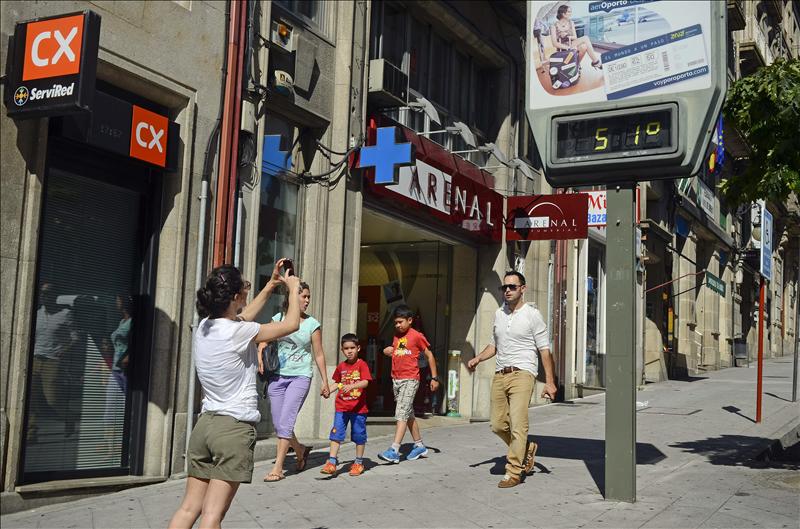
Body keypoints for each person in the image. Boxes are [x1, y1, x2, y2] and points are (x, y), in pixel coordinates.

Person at [169, 260, 302, 529]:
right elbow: (291, 325)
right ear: (234, 297)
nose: (246, 292)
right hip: (233, 429)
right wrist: (294, 290)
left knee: (188, 509)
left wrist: (271, 285)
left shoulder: (206, 326)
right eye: (243, 288)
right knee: (212, 516)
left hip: (205, 426)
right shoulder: (239, 332)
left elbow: (243, 317)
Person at [467, 271, 557, 488]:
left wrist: (550, 382)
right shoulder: (499, 314)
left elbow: (544, 350)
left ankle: (514, 472)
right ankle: (526, 450)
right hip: (500, 374)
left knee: (518, 425)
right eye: (504, 287)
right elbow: (493, 345)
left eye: (512, 287)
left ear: (522, 289)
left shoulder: (532, 314)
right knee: (497, 425)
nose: (507, 290)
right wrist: (478, 358)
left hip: (523, 373)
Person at [258, 281, 331, 482]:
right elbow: (264, 339)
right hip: (277, 375)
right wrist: (259, 352)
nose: (307, 300)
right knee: (280, 422)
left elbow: (319, 354)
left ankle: (278, 467)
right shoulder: (278, 318)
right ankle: (300, 450)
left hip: (300, 376)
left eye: (308, 297)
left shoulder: (312, 324)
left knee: (286, 421)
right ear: (292, 297)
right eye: (304, 296)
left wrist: (325, 381)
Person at [377, 305, 440, 464]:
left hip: (410, 379)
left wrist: (434, 378)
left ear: (410, 320)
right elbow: (398, 352)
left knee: (401, 413)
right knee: (408, 413)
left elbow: (430, 356)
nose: (397, 325)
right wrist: (388, 350)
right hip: (396, 379)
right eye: (395, 323)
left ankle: (394, 449)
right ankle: (419, 445)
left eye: (400, 322)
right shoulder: (397, 336)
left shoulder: (416, 336)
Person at [28, 282, 79, 443]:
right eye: (42, 293)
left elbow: (76, 337)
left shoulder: (65, 314)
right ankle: (31, 433)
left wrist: (63, 351)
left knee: (52, 399)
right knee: (31, 399)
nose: (44, 296)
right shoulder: (36, 313)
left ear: (54, 296)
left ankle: (68, 417)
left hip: (52, 362)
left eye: (47, 293)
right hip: (35, 360)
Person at [319, 333, 372, 477]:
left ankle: (359, 462)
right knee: (336, 434)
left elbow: (366, 382)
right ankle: (331, 462)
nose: (349, 351)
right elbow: (338, 382)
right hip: (341, 408)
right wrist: (328, 389)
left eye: (352, 348)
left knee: (359, 435)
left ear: (358, 348)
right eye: (346, 348)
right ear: (342, 350)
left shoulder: (362, 364)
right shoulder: (341, 366)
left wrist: (353, 386)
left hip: (358, 409)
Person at [550, 4, 602, 69]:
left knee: (584, 46)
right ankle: (595, 62)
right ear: (563, 13)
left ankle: (576, 65)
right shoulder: (554, 26)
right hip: (562, 48)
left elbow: (575, 37)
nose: (570, 14)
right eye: (569, 12)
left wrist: (567, 36)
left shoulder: (571, 23)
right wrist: (567, 47)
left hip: (571, 44)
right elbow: (554, 43)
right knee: (585, 38)